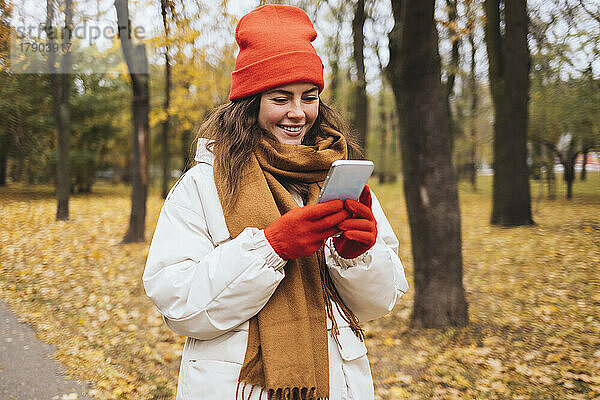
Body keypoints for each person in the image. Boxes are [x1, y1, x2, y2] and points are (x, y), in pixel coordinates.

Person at [143, 4, 408, 400]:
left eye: (309, 97)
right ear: (251, 103)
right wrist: (269, 248)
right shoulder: (204, 184)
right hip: (241, 388)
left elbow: (377, 304)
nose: (298, 113)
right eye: (281, 98)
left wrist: (357, 256)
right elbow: (178, 303)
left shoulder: (337, 174)